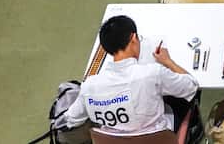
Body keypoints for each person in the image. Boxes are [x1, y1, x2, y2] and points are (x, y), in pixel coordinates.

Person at [65, 15, 200, 136]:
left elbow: (71, 119)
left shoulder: (89, 86)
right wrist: (168, 61)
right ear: (134, 38)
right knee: (183, 96)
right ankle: (194, 131)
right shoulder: (153, 73)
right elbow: (191, 86)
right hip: (157, 139)